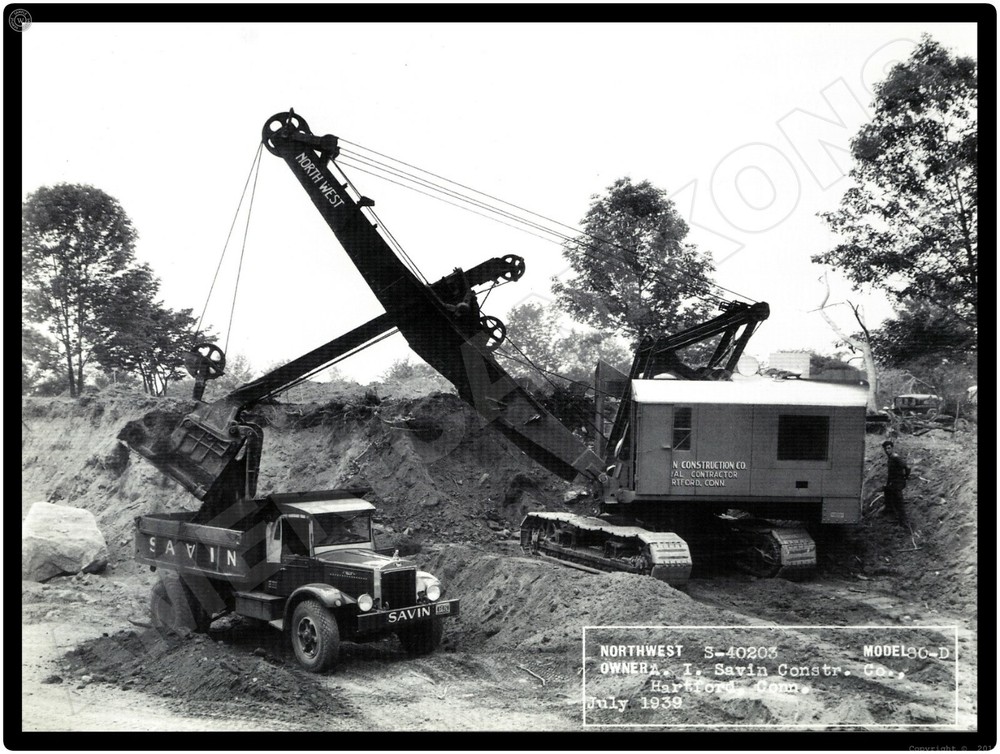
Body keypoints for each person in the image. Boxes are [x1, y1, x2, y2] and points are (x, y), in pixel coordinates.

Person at [882, 439, 911, 526]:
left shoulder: (895, 457)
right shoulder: (890, 458)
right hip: (893, 483)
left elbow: (907, 467)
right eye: (885, 449)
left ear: (892, 448)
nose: (887, 450)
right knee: (888, 494)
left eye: (889, 448)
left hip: (898, 484)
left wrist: (906, 476)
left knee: (899, 501)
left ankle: (903, 522)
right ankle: (892, 516)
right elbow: (890, 474)